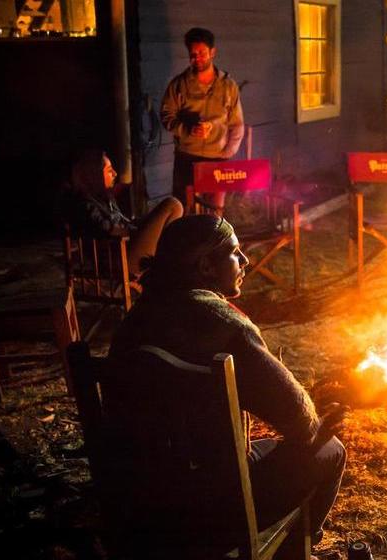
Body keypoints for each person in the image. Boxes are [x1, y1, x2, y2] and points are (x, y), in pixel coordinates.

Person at [108, 214, 346, 555]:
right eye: (235, 252)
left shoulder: (134, 322)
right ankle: (294, 551)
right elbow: (300, 421)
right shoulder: (224, 325)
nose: (245, 260)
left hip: (140, 508)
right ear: (206, 266)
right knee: (330, 448)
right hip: (214, 512)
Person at [58, 150, 183, 276]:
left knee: (172, 210)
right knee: (172, 205)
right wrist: (135, 230)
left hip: (128, 249)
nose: (115, 173)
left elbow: (122, 222)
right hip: (121, 260)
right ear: (94, 175)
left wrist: (144, 223)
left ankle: (174, 264)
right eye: (108, 170)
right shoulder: (84, 204)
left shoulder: (103, 198)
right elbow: (103, 228)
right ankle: (172, 267)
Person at [161, 27, 245, 213]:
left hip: (217, 160)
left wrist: (227, 153)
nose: (197, 58)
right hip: (187, 157)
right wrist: (188, 129)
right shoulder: (179, 85)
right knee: (185, 210)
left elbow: (237, 124)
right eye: (193, 54)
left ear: (213, 52)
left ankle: (215, 242)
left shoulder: (228, 86)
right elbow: (167, 117)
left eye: (202, 53)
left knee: (216, 214)